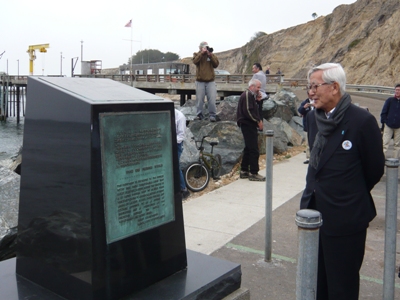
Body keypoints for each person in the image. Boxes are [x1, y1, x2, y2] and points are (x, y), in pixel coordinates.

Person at [300, 63, 384, 300]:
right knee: (317, 283)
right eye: (310, 87)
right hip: (314, 215)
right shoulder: (314, 118)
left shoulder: (362, 121)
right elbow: (315, 163)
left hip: (346, 217)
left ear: (334, 87)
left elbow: (374, 169)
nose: (311, 92)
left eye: (315, 86)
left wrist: (348, 193)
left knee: (341, 287)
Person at [236, 79, 265, 181]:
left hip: (248, 124)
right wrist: (257, 121)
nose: (259, 89)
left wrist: (258, 102)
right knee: (254, 149)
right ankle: (253, 172)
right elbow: (248, 110)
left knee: (248, 148)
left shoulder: (251, 96)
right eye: (258, 87)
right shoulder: (247, 95)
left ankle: (244, 170)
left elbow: (255, 109)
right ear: (252, 86)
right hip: (247, 124)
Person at [192, 41, 219, 122]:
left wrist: (210, 56)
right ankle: (199, 114)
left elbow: (216, 64)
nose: (205, 48)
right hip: (200, 81)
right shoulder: (196, 54)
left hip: (210, 81)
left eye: (206, 47)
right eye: (204, 47)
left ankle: (212, 115)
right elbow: (195, 61)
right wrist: (202, 54)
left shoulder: (211, 55)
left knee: (212, 99)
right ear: (200, 48)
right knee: (200, 99)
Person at [380, 83, 400, 158]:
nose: (397, 91)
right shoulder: (390, 100)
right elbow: (384, 112)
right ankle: (382, 160)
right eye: (396, 90)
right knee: (385, 144)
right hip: (388, 125)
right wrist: (384, 122)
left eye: (399, 90)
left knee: (397, 145)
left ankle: (395, 160)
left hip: (398, 127)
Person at [175, 109, 190, 199]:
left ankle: (183, 189)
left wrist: (171, 141)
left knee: (176, 166)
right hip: (166, 142)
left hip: (176, 144)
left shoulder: (180, 116)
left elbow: (181, 135)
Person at [297, 89, 314, 164]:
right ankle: (309, 158)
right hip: (307, 126)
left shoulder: (318, 101)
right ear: (308, 94)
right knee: (308, 143)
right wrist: (304, 107)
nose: (312, 95)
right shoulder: (305, 102)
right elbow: (300, 111)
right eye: (311, 94)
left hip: (316, 126)